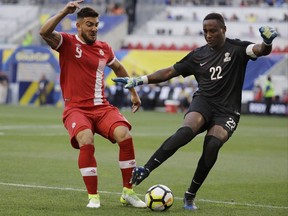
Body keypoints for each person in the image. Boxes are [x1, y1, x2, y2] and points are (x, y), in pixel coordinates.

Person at [112, 13, 278, 211]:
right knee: (186, 131)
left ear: (223, 30)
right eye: (205, 31)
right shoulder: (198, 55)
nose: (208, 35)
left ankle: (190, 195)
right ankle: (146, 169)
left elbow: (260, 50)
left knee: (212, 144)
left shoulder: (238, 48)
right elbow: (168, 72)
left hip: (227, 111)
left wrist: (267, 42)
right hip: (203, 103)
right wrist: (139, 80)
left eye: (213, 31)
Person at [39, 0, 146, 209]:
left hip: (102, 107)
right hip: (76, 109)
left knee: (125, 134)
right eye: (89, 24)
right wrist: (64, 12)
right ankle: (93, 197)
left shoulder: (104, 48)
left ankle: (128, 192)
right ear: (78, 26)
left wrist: (133, 92)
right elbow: (44, 32)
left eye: (96, 24)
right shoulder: (67, 42)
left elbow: (119, 68)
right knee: (86, 139)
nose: (94, 28)